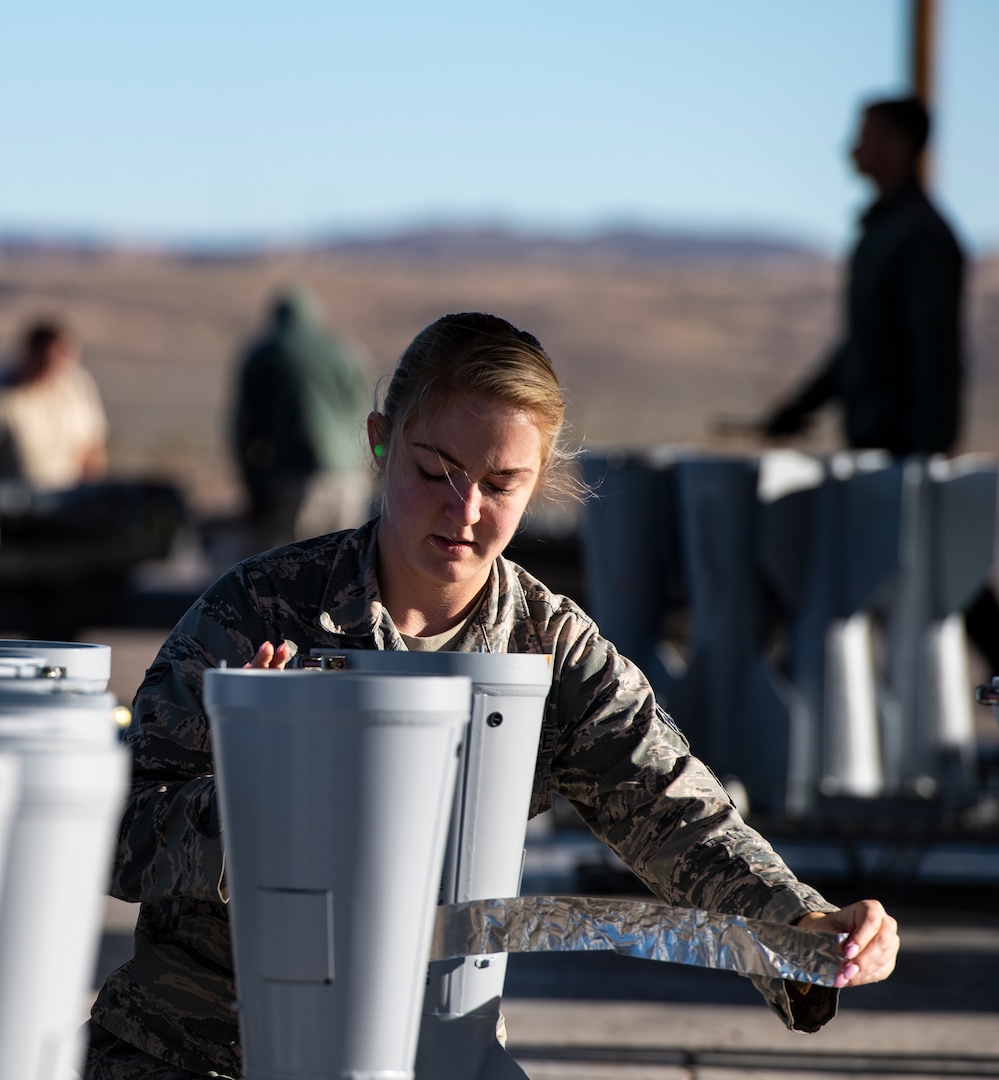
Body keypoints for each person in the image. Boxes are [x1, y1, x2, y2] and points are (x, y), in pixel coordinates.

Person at [85, 313, 900, 1079]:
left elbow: (674, 813)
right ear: (378, 443)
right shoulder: (258, 612)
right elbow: (117, 832)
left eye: (501, 484)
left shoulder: (548, 652)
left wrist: (799, 928)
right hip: (203, 1047)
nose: (463, 510)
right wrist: (258, 793)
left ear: (539, 480)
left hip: (428, 1046)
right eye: (433, 471)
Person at [763, 97, 964, 453]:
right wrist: (798, 408)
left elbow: (935, 349)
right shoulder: (882, 232)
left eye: (866, 137)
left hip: (904, 450)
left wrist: (928, 455)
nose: (853, 149)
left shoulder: (920, 236)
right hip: (872, 441)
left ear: (898, 145)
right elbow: (865, 344)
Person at [233, 287, 373, 551]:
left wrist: (253, 486)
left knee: (286, 575)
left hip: (294, 480)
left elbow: (245, 428)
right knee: (344, 571)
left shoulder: (267, 352)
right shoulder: (347, 351)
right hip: (351, 482)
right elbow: (368, 418)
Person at [0, 318, 108, 490]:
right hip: (10, 502)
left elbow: (91, 449)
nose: (57, 368)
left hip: (66, 500)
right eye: (49, 361)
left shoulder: (77, 387)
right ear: (31, 355)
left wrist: (93, 495)